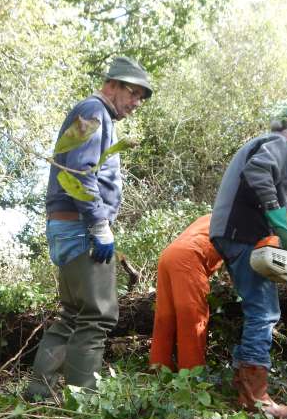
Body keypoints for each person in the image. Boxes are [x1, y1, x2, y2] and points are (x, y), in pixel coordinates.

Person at [28, 56, 153, 397]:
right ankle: (83, 402)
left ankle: (40, 391)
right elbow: (80, 170)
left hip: (66, 225)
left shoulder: (93, 113)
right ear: (111, 84)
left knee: (74, 314)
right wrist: (99, 225)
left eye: (141, 97)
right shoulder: (93, 111)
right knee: (97, 316)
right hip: (80, 226)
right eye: (133, 93)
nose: (136, 102)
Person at [209, 113, 287, 419]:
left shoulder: (260, 143)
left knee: (256, 307)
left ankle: (244, 388)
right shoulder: (279, 144)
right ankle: (256, 398)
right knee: (264, 312)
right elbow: (258, 171)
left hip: (230, 234)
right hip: (242, 234)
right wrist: (279, 222)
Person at [149, 214, 223, 371]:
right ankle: (191, 375)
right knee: (192, 317)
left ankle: (158, 368)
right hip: (190, 257)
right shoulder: (238, 220)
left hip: (168, 255)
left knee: (165, 315)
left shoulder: (213, 216)